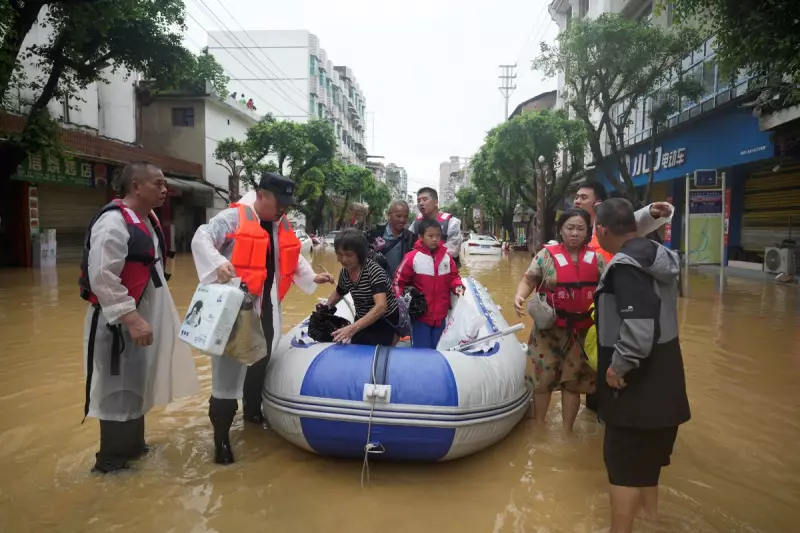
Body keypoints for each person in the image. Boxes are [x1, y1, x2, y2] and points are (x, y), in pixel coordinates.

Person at [191, 172, 334, 465]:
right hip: (236, 311)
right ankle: (221, 441)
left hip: (267, 309)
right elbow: (202, 237)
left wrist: (311, 276)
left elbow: (292, 257)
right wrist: (218, 263)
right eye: (279, 202)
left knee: (260, 364)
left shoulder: (280, 225)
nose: (283, 209)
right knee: (226, 375)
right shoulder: (233, 219)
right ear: (261, 195)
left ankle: (253, 416)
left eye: (287, 204)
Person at [79, 162, 199, 474]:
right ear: (135, 186)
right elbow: (102, 277)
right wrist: (132, 319)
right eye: (158, 183)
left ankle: (134, 448)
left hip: (139, 318)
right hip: (115, 324)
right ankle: (109, 462)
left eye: (164, 184)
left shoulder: (147, 219)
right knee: (115, 390)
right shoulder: (113, 224)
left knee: (136, 384)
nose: (164, 190)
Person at [593, 198, 690, 533]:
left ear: (601, 229)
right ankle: (653, 522)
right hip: (667, 386)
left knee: (623, 471)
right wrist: (648, 214)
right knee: (646, 469)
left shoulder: (625, 266)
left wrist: (617, 368)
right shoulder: (654, 254)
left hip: (636, 390)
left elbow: (639, 329)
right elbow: (626, 225)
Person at [573, 182, 674, 414]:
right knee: (595, 376)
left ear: (599, 204)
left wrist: (619, 366)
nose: (577, 201)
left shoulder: (622, 257)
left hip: (618, 311)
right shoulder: (583, 232)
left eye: (583, 197)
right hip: (594, 314)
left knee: (614, 375)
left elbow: (624, 228)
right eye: (576, 197)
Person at [513, 208, 606, 431]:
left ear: (587, 232)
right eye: (570, 228)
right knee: (542, 380)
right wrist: (519, 296)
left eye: (580, 228)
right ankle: (539, 427)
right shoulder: (546, 256)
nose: (575, 233)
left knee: (573, 382)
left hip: (582, 331)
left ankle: (567, 432)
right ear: (561, 230)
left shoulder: (597, 259)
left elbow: (609, 289)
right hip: (548, 330)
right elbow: (529, 280)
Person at [393, 219, 464, 349]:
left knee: (439, 350)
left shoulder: (447, 258)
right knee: (421, 352)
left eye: (438, 236)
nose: (435, 239)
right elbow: (398, 282)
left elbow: (454, 277)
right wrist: (402, 305)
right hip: (420, 316)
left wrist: (458, 286)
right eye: (430, 236)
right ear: (421, 237)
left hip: (441, 316)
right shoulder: (412, 257)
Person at [324, 229, 401, 346]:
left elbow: (381, 306)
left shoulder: (374, 271)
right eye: (340, 254)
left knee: (375, 352)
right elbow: (339, 293)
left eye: (348, 255)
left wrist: (352, 328)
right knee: (356, 347)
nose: (343, 260)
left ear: (359, 254)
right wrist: (324, 309)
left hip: (384, 320)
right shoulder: (345, 273)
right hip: (362, 316)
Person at [408, 187, 463, 267]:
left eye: (425, 199)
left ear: (436, 202)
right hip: (420, 270)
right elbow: (409, 246)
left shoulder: (452, 222)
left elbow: (454, 251)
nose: (421, 203)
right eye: (418, 201)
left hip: (446, 270)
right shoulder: (416, 223)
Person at [364, 200, 417, 278]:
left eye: (405, 216)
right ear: (389, 215)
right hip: (377, 282)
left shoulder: (411, 238)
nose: (402, 220)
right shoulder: (374, 234)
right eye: (398, 216)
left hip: (400, 283)